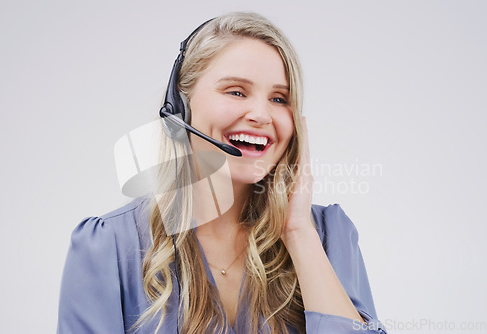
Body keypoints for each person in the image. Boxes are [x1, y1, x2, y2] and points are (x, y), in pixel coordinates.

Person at [57, 12, 387, 334]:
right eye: (236, 91)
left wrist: (298, 231)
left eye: (279, 98)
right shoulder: (107, 246)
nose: (260, 114)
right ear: (180, 108)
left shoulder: (328, 237)